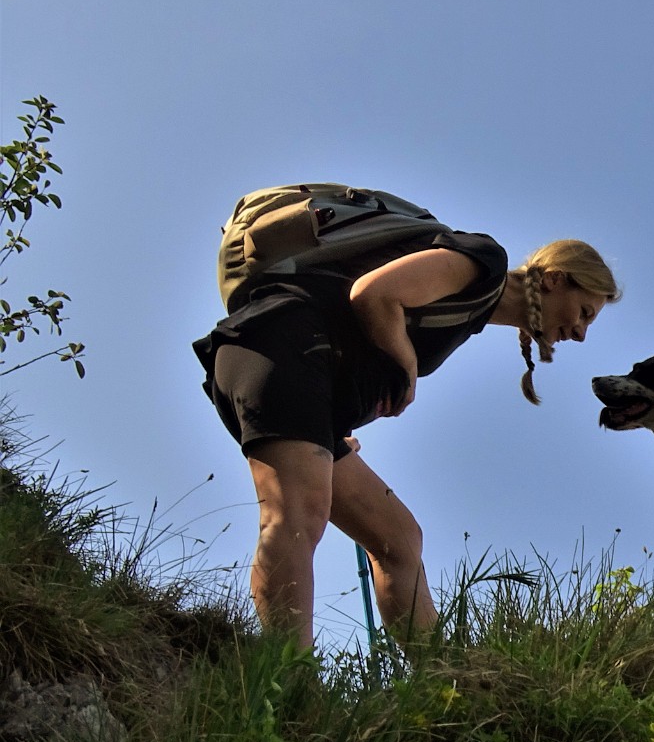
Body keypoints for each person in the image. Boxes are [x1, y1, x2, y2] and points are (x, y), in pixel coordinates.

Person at [193, 197, 621, 654]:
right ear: (555, 280)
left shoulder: (470, 312)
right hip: (275, 344)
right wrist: (405, 364)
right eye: (585, 313)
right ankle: (290, 685)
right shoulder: (484, 261)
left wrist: (334, 424)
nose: (580, 333)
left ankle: (441, 686)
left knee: (398, 538)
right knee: (298, 513)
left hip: (298, 372)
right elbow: (374, 293)